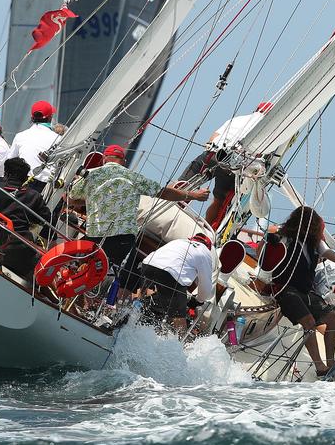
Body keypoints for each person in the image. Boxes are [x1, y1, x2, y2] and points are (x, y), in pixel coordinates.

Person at [68, 143, 209, 295]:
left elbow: (71, 198)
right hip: (123, 239)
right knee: (122, 281)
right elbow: (163, 193)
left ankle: (72, 297)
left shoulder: (91, 174)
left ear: (104, 159)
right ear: (124, 162)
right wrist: (193, 195)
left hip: (95, 234)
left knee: (81, 268)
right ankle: (110, 311)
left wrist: (93, 198)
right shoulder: (133, 177)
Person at [266, 206, 335, 378]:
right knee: (308, 322)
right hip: (284, 290)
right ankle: (320, 367)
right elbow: (266, 251)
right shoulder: (284, 237)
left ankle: (331, 362)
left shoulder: (315, 243)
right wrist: (271, 242)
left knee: (334, 319)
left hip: (304, 292)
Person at [179, 102, 273, 228]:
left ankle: (163, 211)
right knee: (219, 202)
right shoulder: (268, 129)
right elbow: (259, 156)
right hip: (234, 165)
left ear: (256, 110)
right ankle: (206, 231)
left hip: (213, 153)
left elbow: (214, 136)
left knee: (183, 185)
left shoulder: (238, 119)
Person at [0, 157, 53, 280]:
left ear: (6, 173)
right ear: (25, 177)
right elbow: (46, 219)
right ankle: (48, 297)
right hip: (15, 251)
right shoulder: (34, 196)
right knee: (39, 270)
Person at [140, 233, 215, 333]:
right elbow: (206, 286)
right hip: (171, 275)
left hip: (147, 264)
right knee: (179, 318)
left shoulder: (179, 241)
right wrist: (199, 301)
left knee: (141, 296)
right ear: (208, 247)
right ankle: (178, 344)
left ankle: (128, 313)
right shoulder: (205, 252)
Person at [7, 100, 61, 191]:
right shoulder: (58, 139)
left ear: (32, 117)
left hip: (22, 184)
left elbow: (9, 161)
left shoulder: (20, 136)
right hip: (45, 187)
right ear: (50, 117)